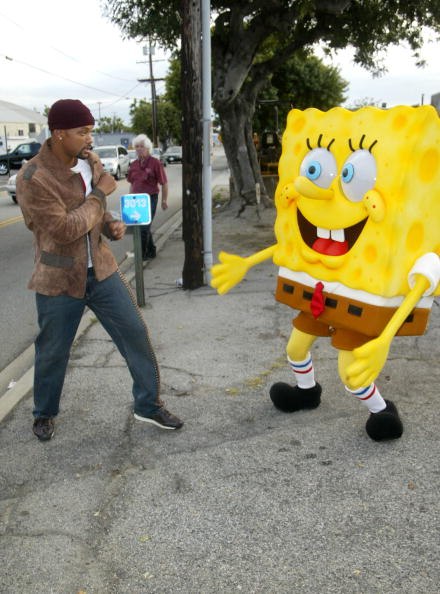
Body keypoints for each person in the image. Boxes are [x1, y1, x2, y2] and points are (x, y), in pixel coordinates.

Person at [16, 99, 183, 441]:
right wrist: (100, 197)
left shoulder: (87, 162)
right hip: (59, 278)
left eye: (91, 131)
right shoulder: (33, 177)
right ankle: (44, 413)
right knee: (52, 352)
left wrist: (108, 224)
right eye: (82, 132)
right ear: (59, 134)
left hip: (102, 270)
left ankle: (148, 405)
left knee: (136, 335)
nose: (90, 139)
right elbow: (63, 229)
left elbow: (87, 212)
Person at [126, 134, 168, 260]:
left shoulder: (155, 163)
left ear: (148, 148)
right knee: (141, 227)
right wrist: (129, 198)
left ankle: (141, 256)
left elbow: (164, 183)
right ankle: (151, 251)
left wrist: (164, 200)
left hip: (150, 198)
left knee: (144, 227)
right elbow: (132, 184)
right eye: (137, 147)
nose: (139, 149)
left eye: (142, 146)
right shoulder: (133, 165)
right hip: (136, 201)